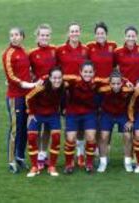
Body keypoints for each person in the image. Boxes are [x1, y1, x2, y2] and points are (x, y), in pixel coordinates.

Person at [2, 27, 40, 173]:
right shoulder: (8, 54)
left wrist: (33, 79)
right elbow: (11, 77)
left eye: (17, 35)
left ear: (22, 36)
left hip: (27, 97)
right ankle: (11, 161)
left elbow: (28, 70)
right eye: (11, 35)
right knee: (15, 129)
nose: (14, 38)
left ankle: (20, 156)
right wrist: (30, 84)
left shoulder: (24, 52)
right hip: (15, 97)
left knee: (25, 127)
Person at [62, 61, 107, 174]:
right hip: (72, 113)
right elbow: (58, 76)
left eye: (90, 72)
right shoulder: (73, 81)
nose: (88, 74)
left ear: (94, 73)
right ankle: (68, 164)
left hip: (89, 113)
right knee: (71, 138)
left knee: (91, 137)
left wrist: (128, 82)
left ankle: (89, 164)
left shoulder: (96, 82)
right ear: (80, 72)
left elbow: (112, 79)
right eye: (85, 72)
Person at [56, 22, 89, 168]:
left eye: (77, 31)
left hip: (82, 92)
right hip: (66, 93)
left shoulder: (86, 50)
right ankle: (69, 156)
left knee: (81, 124)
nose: (74, 33)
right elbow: (55, 70)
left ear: (80, 32)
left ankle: (80, 154)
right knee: (68, 124)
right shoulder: (60, 50)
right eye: (72, 31)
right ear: (68, 33)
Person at [25, 67, 64, 177]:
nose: (57, 80)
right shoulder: (41, 87)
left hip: (53, 115)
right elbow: (28, 97)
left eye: (59, 78)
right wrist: (31, 112)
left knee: (56, 137)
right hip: (37, 113)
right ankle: (34, 166)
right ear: (50, 78)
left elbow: (63, 99)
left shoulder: (62, 87)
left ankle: (52, 166)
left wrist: (63, 110)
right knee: (32, 137)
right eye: (54, 78)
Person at [29, 24, 57, 170]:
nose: (45, 37)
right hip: (38, 95)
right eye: (42, 35)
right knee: (38, 126)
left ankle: (43, 154)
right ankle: (39, 155)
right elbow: (26, 70)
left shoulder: (54, 50)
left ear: (50, 36)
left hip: (52, 95)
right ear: (37, 37)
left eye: (47, 35)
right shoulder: (32, 53)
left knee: (48, 127)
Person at [97, 71, 134, 173]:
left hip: (122, 115)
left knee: (128, 135)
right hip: (107, 115)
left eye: (118, 83)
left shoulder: (128, 90)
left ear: (122, 83)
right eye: (113, 83)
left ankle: (128, 162)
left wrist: (131, 120)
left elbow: (133, 103)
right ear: (109, 83)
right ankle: (103, 162)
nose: (116, 86)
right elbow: (98, 103)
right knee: (104, 136)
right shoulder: (103, 90)